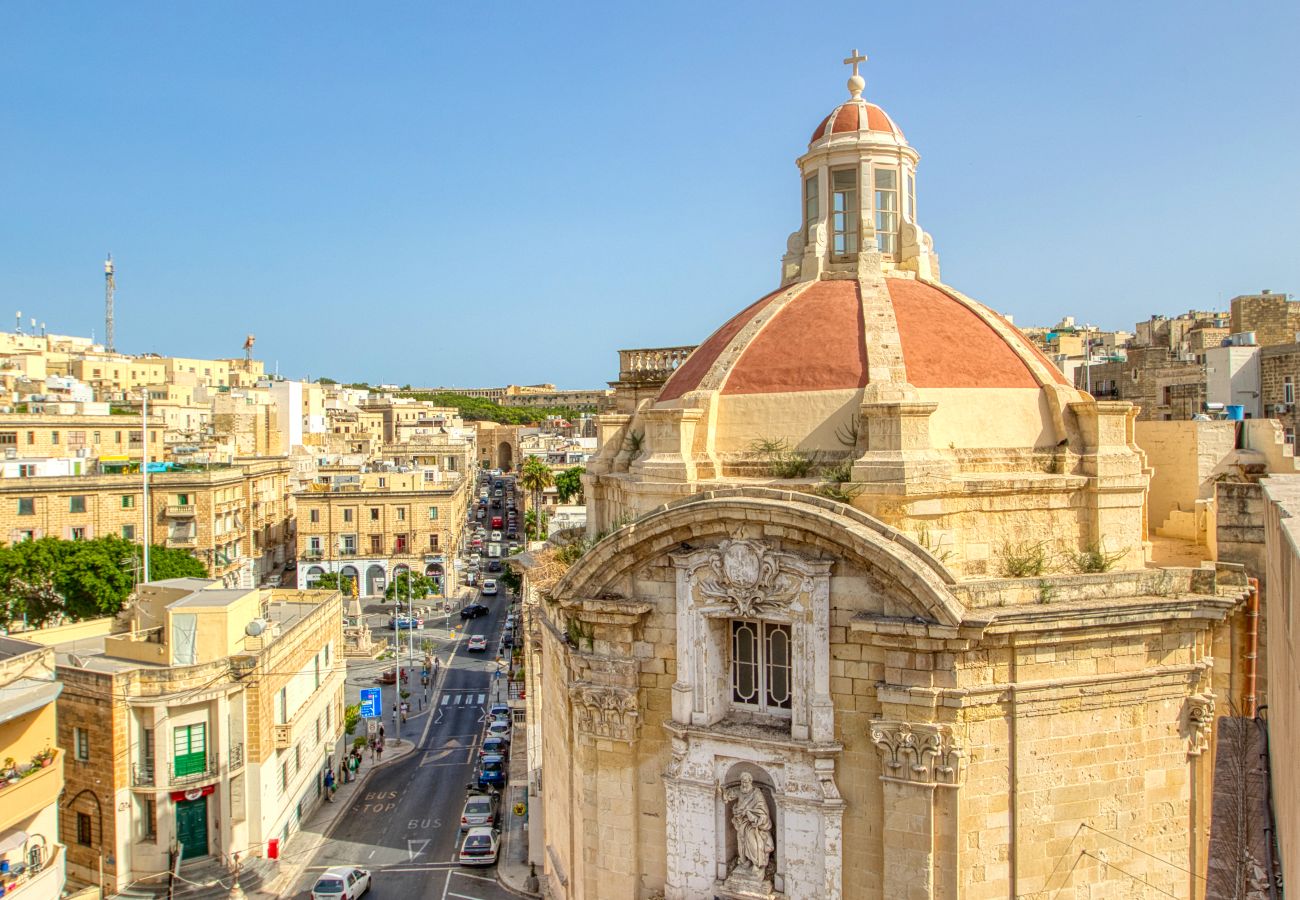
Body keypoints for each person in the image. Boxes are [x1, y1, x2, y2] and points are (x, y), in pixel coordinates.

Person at [721, 773, 774, 876]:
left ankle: (757, 864)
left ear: (750, 781)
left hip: (754, 825)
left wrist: (750, 813)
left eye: (746, 782)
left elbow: (763, 811)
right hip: (742, 823)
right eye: (742, 782)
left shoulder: (756, 794)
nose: (744, 784)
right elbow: (729, 794)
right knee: (741, 843)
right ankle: (745, 861)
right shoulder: (740, 790)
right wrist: (722, 792)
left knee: (753, 844)